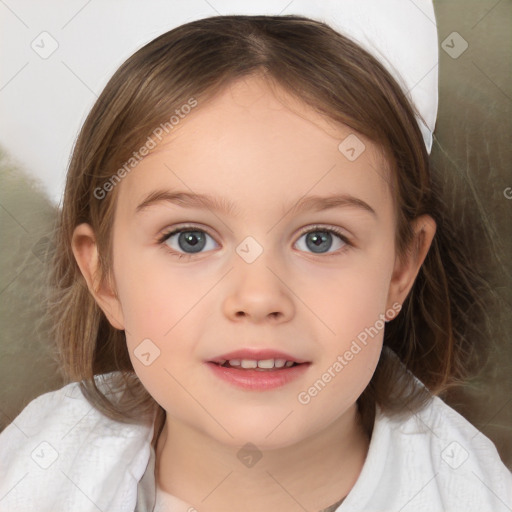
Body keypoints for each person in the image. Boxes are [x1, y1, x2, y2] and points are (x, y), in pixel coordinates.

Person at [1, 6, 511, 512]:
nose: (259, 298)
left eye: (320, 240)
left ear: (401, 270)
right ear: (104, 277)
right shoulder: (28, 471)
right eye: (190, 239)